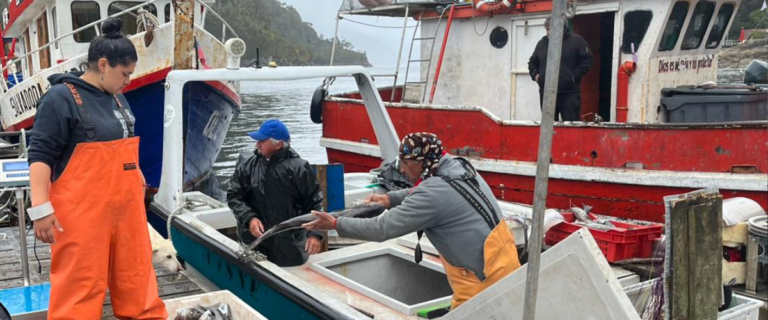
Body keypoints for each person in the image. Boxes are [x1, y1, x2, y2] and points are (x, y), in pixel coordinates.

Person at [27, 18, 167, 320]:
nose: (129, 80)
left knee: (137, 280)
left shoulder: (118, 98)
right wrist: (40, 209)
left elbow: (125, 143)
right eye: (125, 73)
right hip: (81, 216)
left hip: (127, 211)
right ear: (103, 64)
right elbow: (40, 155)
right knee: (79, 289)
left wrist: (138, 178)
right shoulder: (61, 97)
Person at [303, 132, 521, 309]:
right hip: (507, 262)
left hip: (481, 281)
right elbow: (432, 191)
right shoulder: (460, 166)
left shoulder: (432, 193)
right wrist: (390, 198)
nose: (402, 169)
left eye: (407, 162)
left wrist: (335, 224)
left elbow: (382, 228)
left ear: (424, 162)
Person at [228, 119, 324, 267]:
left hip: (291, 247)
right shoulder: (247, 164)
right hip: (254, 243)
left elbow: (315, 203)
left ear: (278, 144)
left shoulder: (299, 168)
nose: (257, 144)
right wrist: (249, 218)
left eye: (262, 140)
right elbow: (234, 195)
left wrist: (315, 235)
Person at [528, 17, 593, 121]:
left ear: (562, 27)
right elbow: (532, 62)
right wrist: (537, 76)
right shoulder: (542, 43)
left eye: (551, 29)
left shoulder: (577, 41)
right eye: (547, 29)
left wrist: (573, 76)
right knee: (547, 125)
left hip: (569, 93)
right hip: (546, 93)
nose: (548, 32)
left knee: (571, 126)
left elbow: (587, 60)